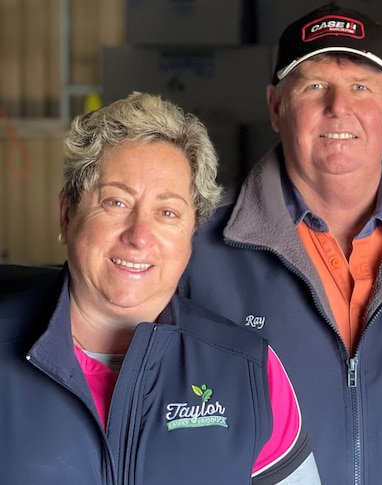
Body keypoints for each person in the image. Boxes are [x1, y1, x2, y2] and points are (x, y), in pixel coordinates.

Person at [179, 4, 382, 484]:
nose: (339, 106)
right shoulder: (198, 247)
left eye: (362, 87)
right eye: (314, 86)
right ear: (275, 106)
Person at [0, 92, 321, 484]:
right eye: (116, 202)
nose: (140, 235)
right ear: (68, 214)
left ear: (191, 232)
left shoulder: (251, 371)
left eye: (167, 212)